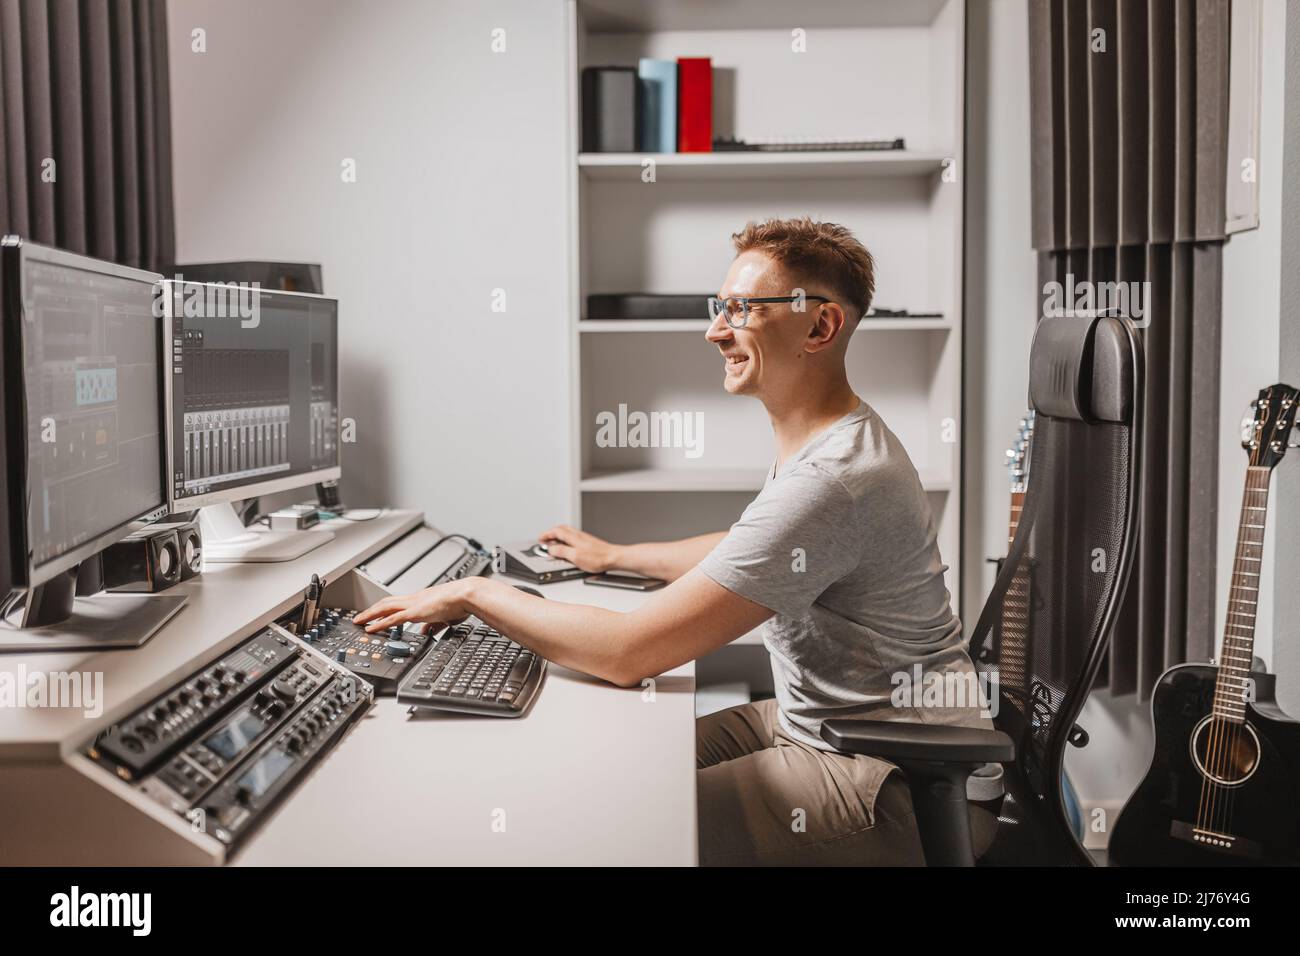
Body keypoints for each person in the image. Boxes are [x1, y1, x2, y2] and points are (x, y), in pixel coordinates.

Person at [356, 217, 994, 865]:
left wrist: (474, 593)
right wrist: (615, 557)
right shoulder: (830, 442)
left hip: (897, 781)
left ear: (820, 326)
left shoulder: (832, 480)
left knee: (612, 828)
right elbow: (753, 550)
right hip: (831, 728)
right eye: (720, 307)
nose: (715, 330)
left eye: (743, 309)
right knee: (612, 767)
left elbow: (629, 654)